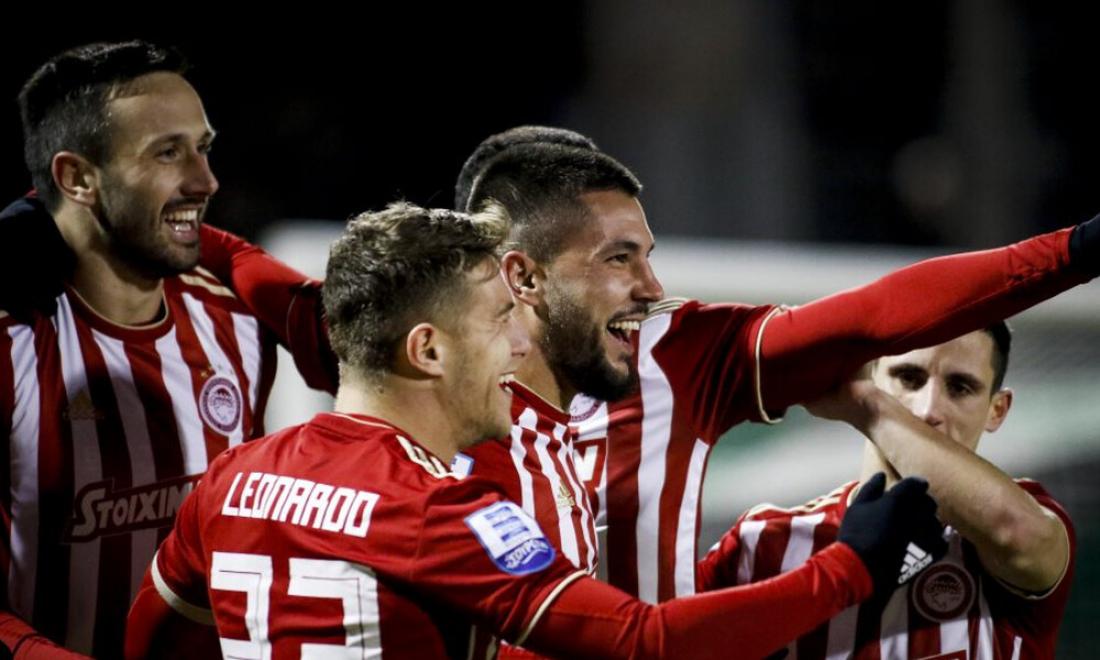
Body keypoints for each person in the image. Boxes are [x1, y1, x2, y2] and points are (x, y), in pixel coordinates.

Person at [125, 202, 946, 659]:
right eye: (498, 321)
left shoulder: (234, 479)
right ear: (428, 350)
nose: (522, 346)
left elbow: (147, 643)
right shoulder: (438, 510)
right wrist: (850, 568)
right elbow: (644, 643)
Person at [455, 131, 1097, 606]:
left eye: (647, 255)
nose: (653, 287)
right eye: (619, 258)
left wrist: (1078, 250)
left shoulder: (676, 353)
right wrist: (846, 571)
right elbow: (639, 640)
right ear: (522, 274)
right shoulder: (425, 414)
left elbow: (875, 314)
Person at [0, 41, 328, 658]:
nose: (206, 181)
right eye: (167, 153)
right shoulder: (14, 343)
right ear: (77, 178)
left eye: (203, 147)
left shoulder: (236, 320)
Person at [697, 323, 1074, 658]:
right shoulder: (761, 543)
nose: (927, 411)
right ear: (869, 377)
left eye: (960, 388)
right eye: (909, 378)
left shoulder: (1027, 521)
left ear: (997, 410)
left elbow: (1016, 532)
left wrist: (870, 408)